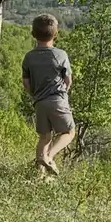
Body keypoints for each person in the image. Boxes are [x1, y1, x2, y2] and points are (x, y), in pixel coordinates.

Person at [22, 14, 75, 177]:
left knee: (44, 137)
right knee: (69, 132)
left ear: (33, 34)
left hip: (39, 102)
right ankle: (49, 157)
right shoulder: (60, 55)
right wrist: (63, 94)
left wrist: (35, 96)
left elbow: (26, 83)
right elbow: (68, 80)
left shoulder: (29, 57)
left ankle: (40, 175)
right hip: (57, 99)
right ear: (56, 34)